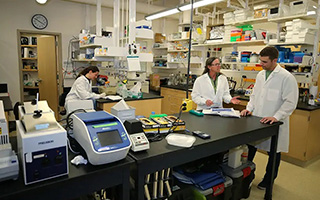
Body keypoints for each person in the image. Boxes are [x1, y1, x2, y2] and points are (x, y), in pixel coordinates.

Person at [240, 46, 299, 190]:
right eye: (261, 61)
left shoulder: (286, 77)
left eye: (265, 62)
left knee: (273, 152)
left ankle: (268, 180)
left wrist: (276, 116)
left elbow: (290, 102)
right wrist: (249, 109)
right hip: (257, 120)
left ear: (275, 60)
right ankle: (245, 176)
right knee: (250, 147)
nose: (262, 64)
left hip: (274, 122)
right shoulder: (261, 74)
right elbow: (255, 95)